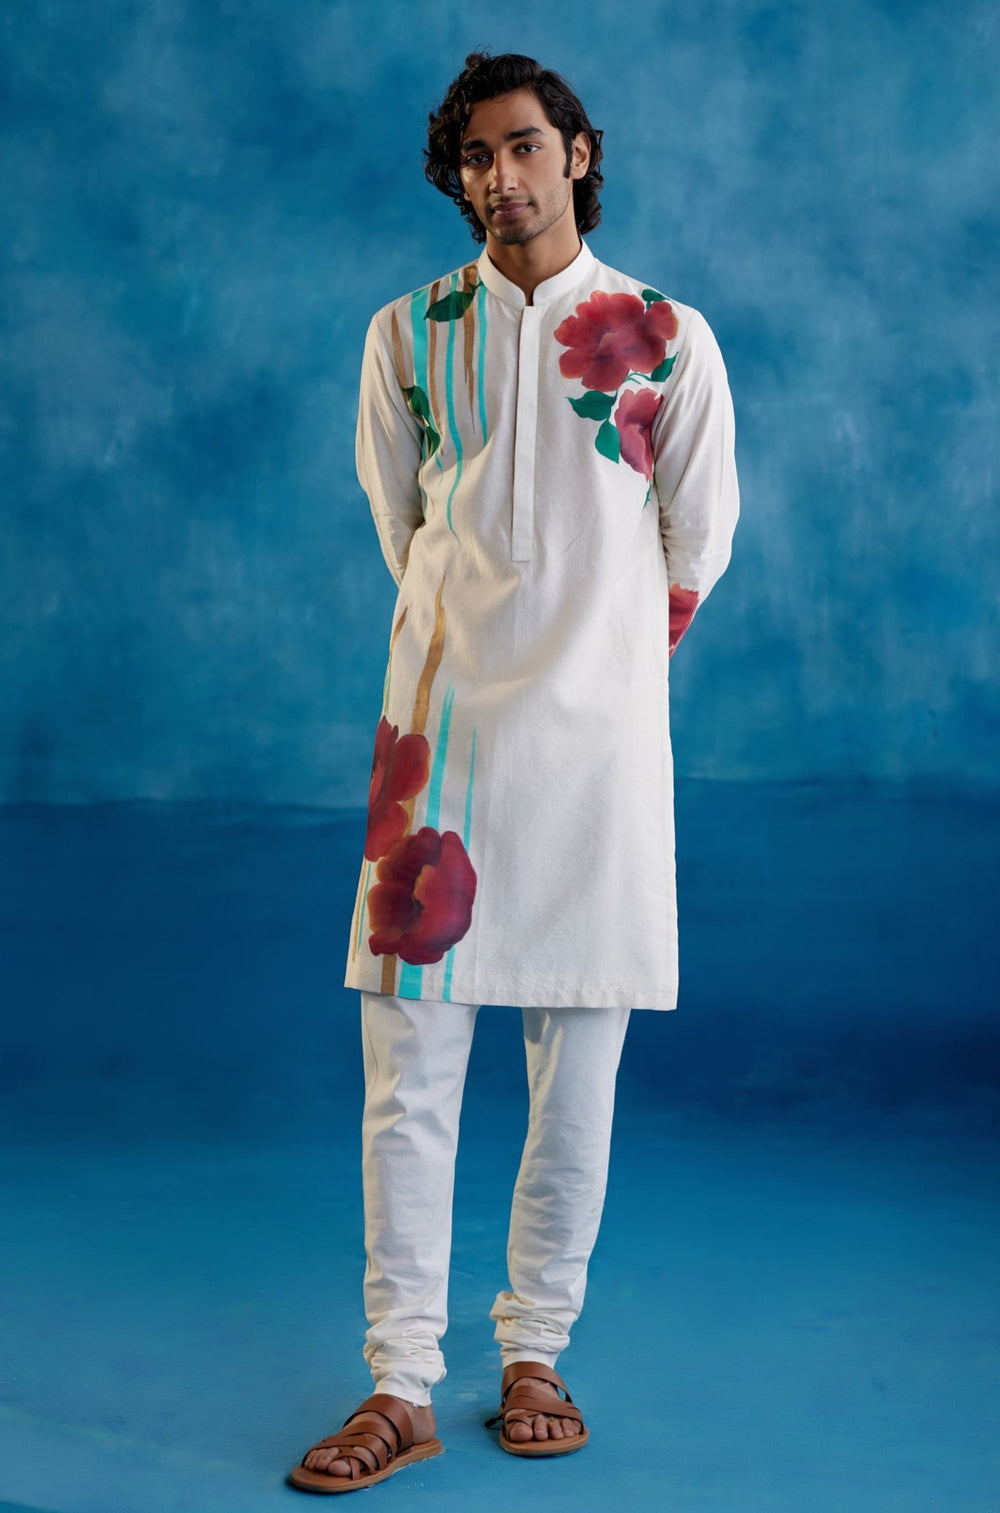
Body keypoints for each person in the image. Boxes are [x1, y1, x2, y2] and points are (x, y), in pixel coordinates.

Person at [289, 51, 738, 1493]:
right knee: (407, 1079)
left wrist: (595, 670)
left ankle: (536, 1349)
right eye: (477, 156)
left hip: (601, 756)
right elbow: (403, 528)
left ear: (577, 153)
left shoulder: (666, 338)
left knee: (577, 1081)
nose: (502, 176)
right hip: (442, 749)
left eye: (525, 146)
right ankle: (401, 1382)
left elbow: (696, 545)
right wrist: (474, 652)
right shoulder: (407, 335)